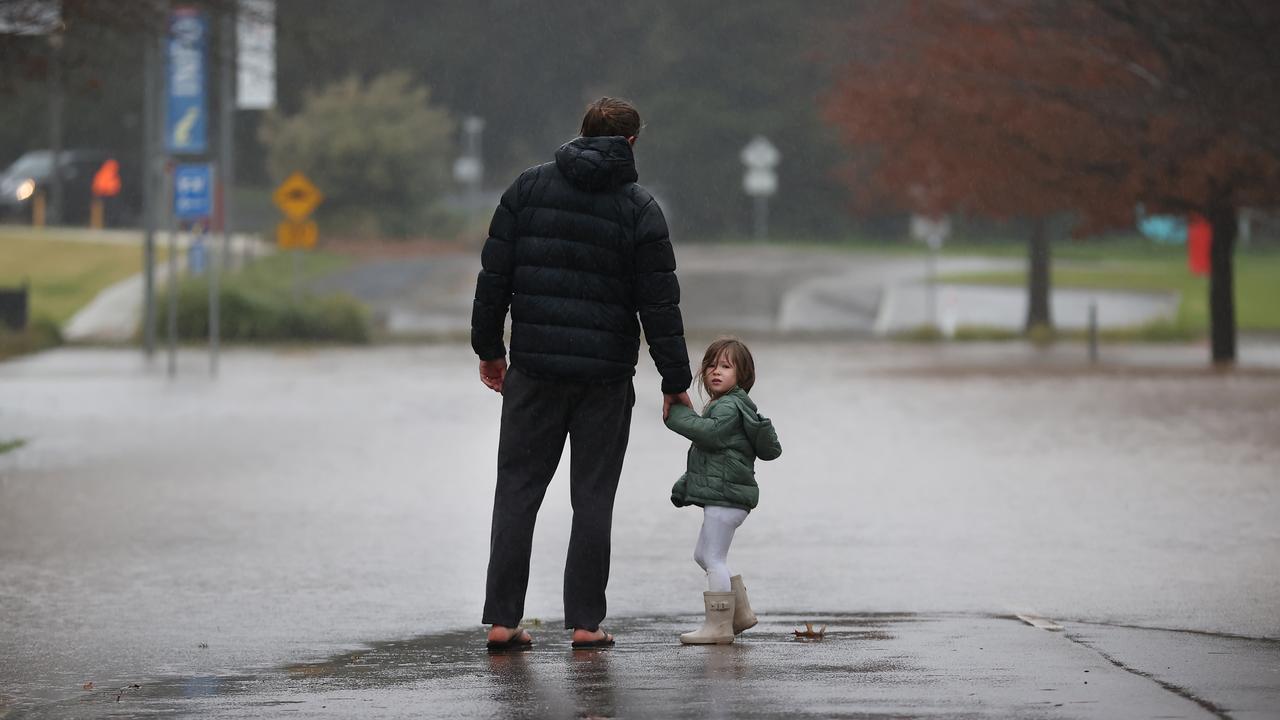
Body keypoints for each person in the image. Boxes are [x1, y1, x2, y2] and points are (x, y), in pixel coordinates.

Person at [471, 97, 693, 650]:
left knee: (517, 492)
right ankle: (585, 625)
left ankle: (503, 620)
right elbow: (659, 307)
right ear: (633, 143)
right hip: (605, 379)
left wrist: (489, 348)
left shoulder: (528, 189)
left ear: (582, 133)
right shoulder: (640, 209)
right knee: (592, 498)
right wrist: (674, 381)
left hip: (535, 371)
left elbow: (493, 274)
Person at [665, 337, 782, 645]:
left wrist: (676, 415)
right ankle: (738, 615)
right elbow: (713, 459)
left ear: (742, 376)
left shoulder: (729, 406)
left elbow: (709, 436)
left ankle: (717, 626)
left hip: (728, 498)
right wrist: (686, 485)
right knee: (703, 555)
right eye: (711, 366)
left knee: (714, 557)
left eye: (726, 367)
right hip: (727, 495)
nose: (716, 371)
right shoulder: (724, 404)